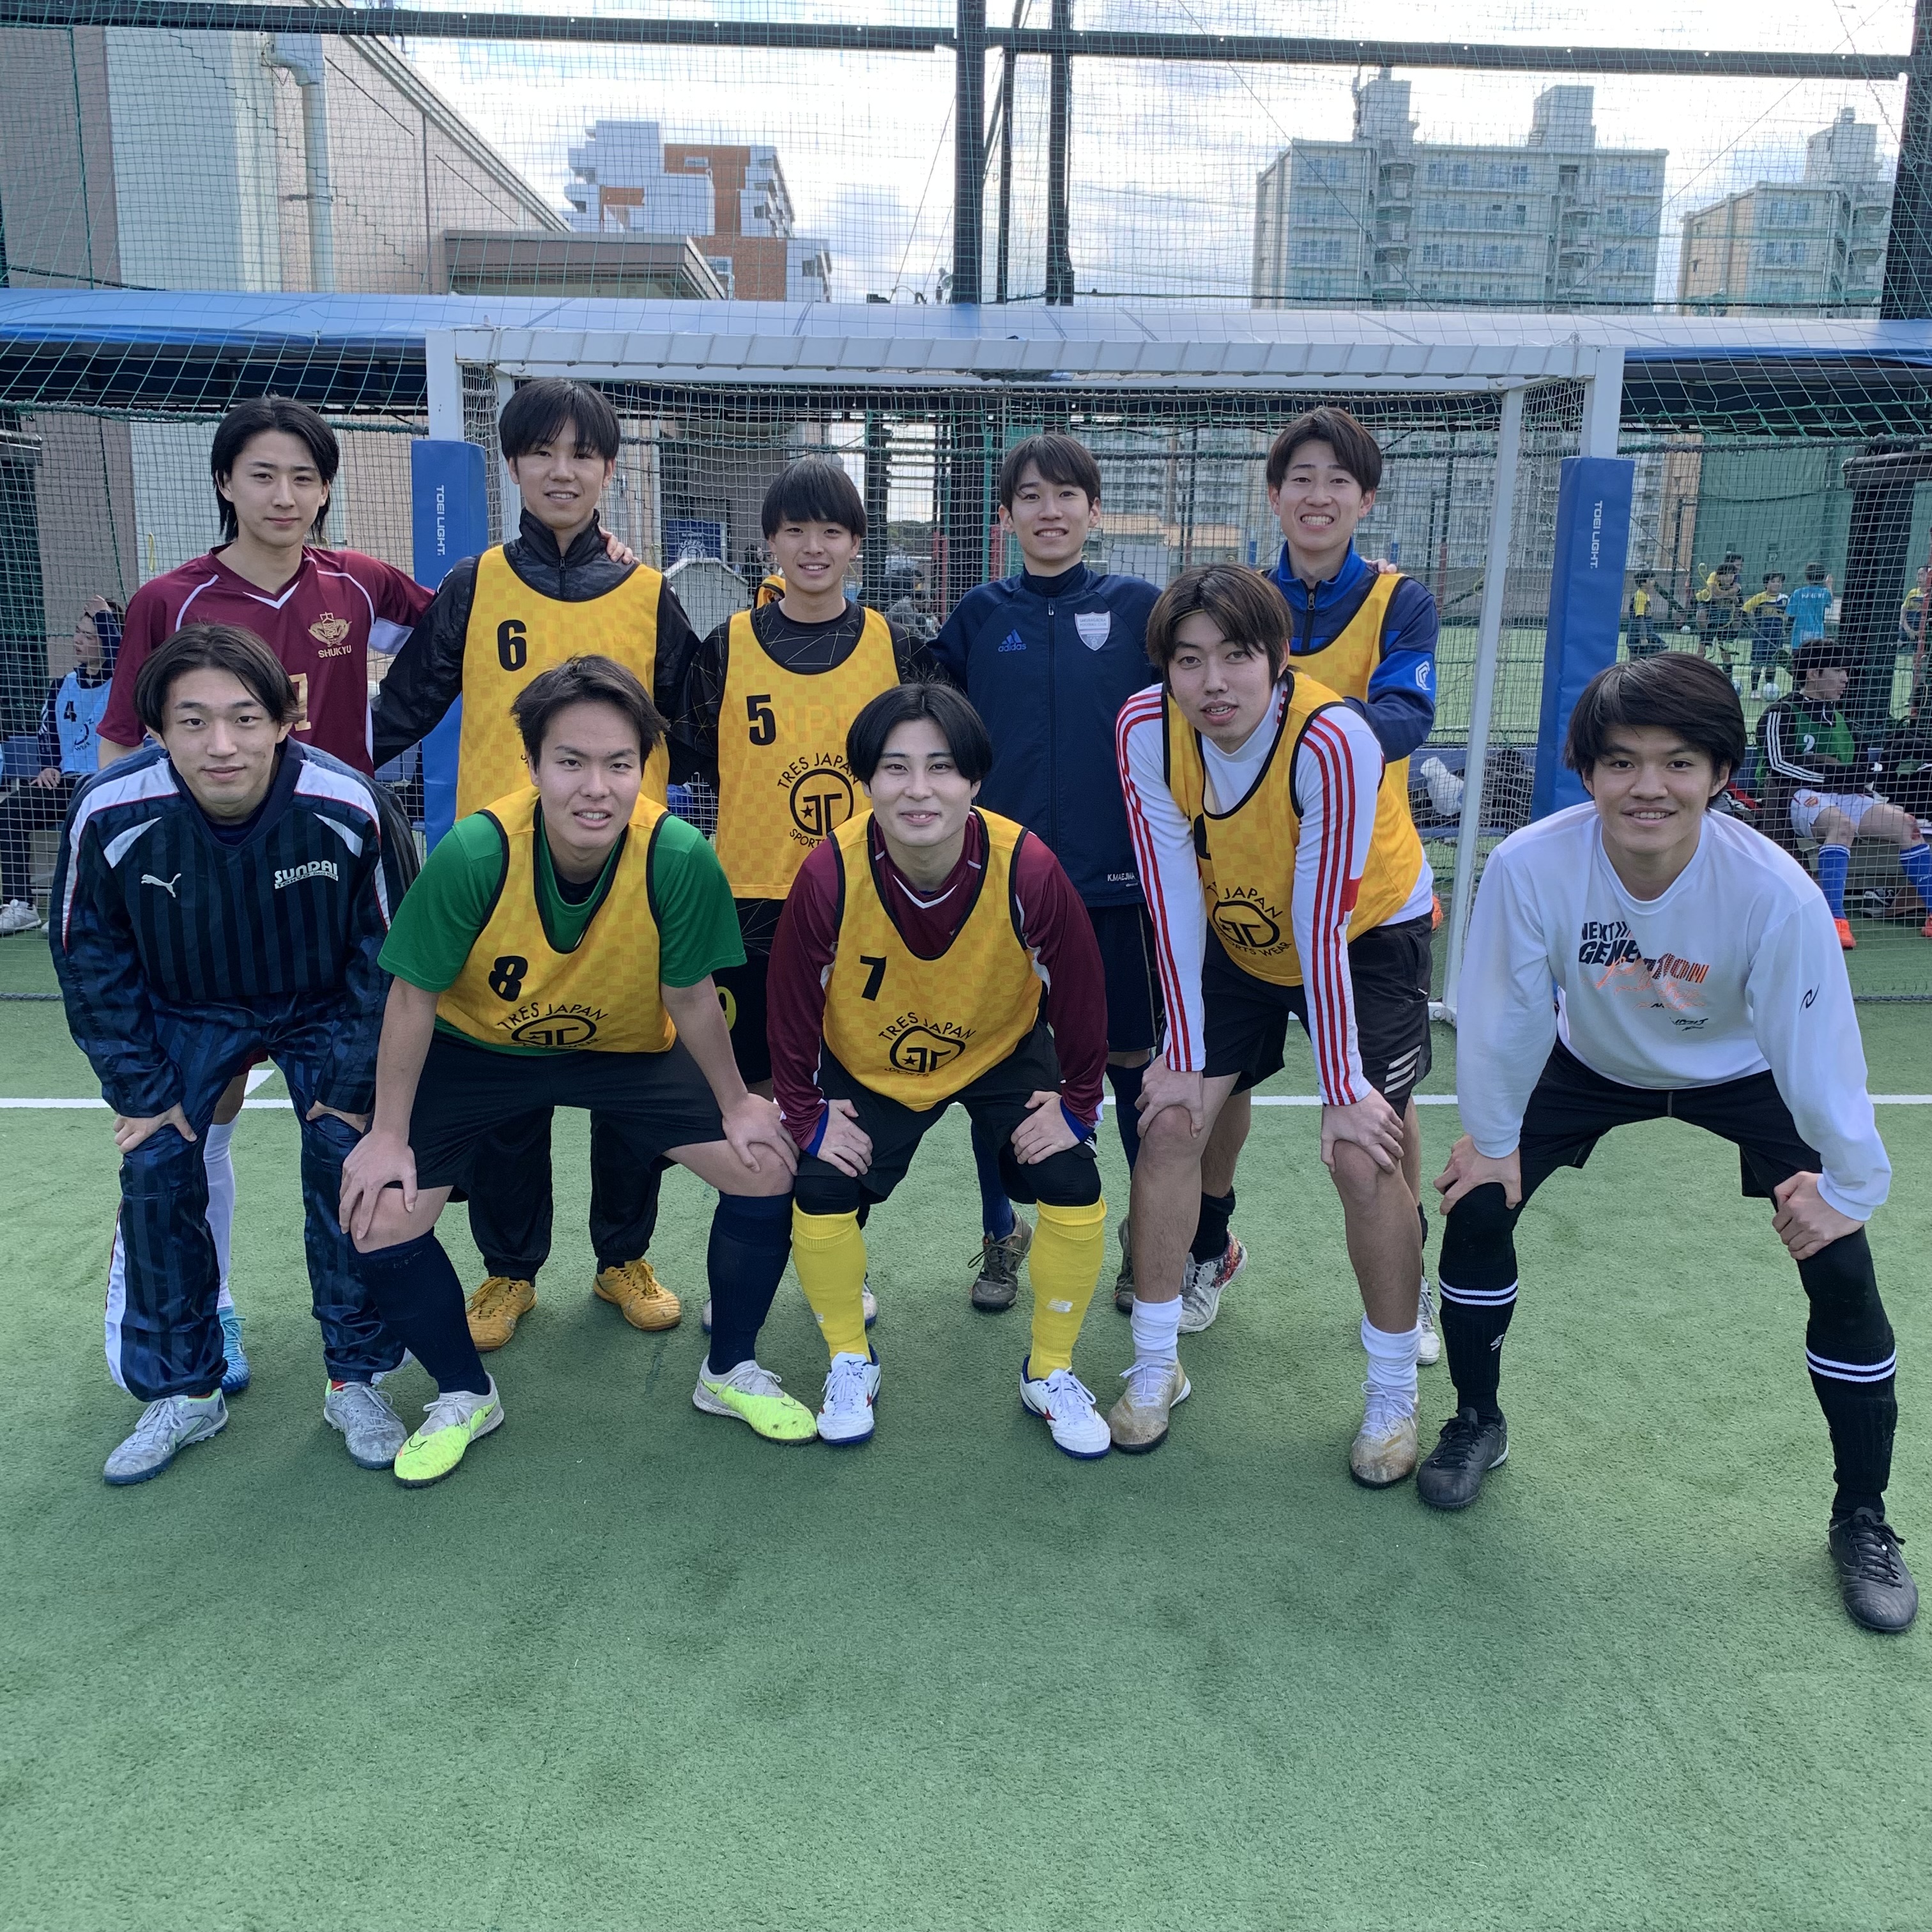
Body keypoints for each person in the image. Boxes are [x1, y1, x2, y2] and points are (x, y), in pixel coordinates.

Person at [1426, 653, 1913, 1634]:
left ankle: (1862, 1515)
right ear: (1586, 771)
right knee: (1477, 1202)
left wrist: (1850, 1187)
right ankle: (1478, 1418)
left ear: (1720, 774)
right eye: (1621, 762)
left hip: (1742, 1071)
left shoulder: (1772, 891)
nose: (1648, 786)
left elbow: (1817, 1049)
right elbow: (1503, 1013)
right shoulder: (1531, 865)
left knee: (1843, 1267)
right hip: (1591, 1061)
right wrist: (1493, 1139)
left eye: (1678, 762)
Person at [339, 655, 813, 1487]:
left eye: (619, 764)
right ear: (531, 765)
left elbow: (690, 994)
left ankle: (729, 1371)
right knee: (379, 1215)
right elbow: (412, 997)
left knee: (766, 1166)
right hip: (482, 1050)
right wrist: (387, 1134)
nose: (596, 787)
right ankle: (464, 1393)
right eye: (571, 762)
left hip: (623, 1049)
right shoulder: (475, 853)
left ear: (646, 769)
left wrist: (739, 1101)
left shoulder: (677, 856)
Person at [93, 397, 437, 1391]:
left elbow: (461, 621)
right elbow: (123, 741)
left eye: (304, 477)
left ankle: (360, 1356)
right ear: (223, 481)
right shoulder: (171, 600)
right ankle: (206, 1310)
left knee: (346, 1110)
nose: (284, 495)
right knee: (196, 1115)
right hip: (207, 902)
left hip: (329, 896)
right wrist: (132, 879)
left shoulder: (359, 582)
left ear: (326, 490)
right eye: (263, 474)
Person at [373, 378, 696, 1354]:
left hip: (627, 884)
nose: (563, 471)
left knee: (629, 1072)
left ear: (609, 470)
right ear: (511, 465)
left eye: (582, 454)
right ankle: (509, 1270)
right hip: (501, 886)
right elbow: (401, 710)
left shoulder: (649, 594)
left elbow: (701, 727)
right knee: (508, 1085)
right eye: (542, 452)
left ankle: (623, 1257)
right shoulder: (473, 586)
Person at [50, 625, 416, 1483]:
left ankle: (355, 1377)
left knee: (348, 1155)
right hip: (187, 1007)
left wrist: (351, 1083)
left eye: (245, 718)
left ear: (285, 721)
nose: (222, 744)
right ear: (157, 730)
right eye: (194, 721)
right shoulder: (109, 810)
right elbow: (87, 955)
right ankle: (185, 1389)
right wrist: (140, 1090)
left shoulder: (351, 804)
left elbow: (389, 952)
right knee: (157, 1163)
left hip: (323, 1007)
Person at [1114, 565, 1432, 1474]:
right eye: (1189, 660)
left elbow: (1321, 924)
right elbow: (1171, 895)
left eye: (1236, 656)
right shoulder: (1144, 727)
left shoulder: (1334, 738)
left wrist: (1342, 1088)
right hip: (1240, 928)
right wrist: (1180, 1050)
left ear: (1278, 657)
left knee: (1363, 1152)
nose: (1213, 682)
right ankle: (1154, 1366)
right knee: (1169, 1122)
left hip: (1364, 933)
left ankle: (1392, 1396)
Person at [767, 682, 1114, 1455]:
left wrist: (1078, 1103)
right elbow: (789, 1003)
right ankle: (850, 1359)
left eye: (942, 767)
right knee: (821, 1184)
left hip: (1000, 1049)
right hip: (871, 1061)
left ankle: (1050, 1371)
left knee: (1070, 1177)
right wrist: (806, 1114)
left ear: (975, 780)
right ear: (867, 779)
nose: (918, 789)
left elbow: (1082, 990)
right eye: (895, 768)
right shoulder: (829, 873)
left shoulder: (1026, 866)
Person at [680, 456, 938, 1330]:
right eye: (796, 530)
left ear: (857, 544)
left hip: (867, 897)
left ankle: (837, 1256)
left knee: (845, 1088)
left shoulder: (896, 646)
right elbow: (689, 758)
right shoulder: (727, 648)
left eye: (832, 531)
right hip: (752, 901)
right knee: (757, 1096)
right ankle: (746, 1266)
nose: (814, 547)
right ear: (771, 543)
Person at [932, 433, 1164, 1317]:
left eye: (1067, 494)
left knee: (1133, 1069)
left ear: (1094, 510)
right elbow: (924, 717)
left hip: (1119, 893)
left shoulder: (1141, 610)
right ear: (1007, 517)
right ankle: (1003, 1232)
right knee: (997, 1067)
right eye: (1031, 496)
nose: (1050, 510)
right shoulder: (978, 617)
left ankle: (1148, 1244)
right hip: (1003, 893)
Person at [1248, 405, 1442, 1365]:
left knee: (1382, 1109)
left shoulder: (1399, 600)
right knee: (1212, 1089)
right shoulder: (1245, 598)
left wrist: (1303, 733)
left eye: (1338, 480)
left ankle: (1414, 1284)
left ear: (1366, 499)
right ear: (1274, 495)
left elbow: (1406, 716)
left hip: (1371, 901)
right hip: (1250, 894)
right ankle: (1205, 1252)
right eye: (1301, 478)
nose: (1317, 495)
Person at [1758, 637, 1932, 949]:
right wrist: (1839, 775)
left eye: (1846, 671)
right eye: (1838, 671)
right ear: (1814, 674)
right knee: (1842, 826)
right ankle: (1835, 920)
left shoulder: (1844, 723)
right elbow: (1778, 767)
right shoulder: (1780, 713)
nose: (1846, 679)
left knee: (1907, 825)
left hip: (1841, 796)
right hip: (1794, 796)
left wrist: (1874, 770)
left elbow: (1861, 774)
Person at [0, 596, 121, 934]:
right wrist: (48, 766)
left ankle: (80, 910)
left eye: (90, 635)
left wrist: (106, 618)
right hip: (65, 783)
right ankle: (21, 905)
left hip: (107, 783)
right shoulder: (61, 686)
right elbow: (49, 736)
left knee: (88, 824)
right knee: (10, 813)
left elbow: (121, 655)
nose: (78, 640)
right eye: (77, 632)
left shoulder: (123, 683)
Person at [1740, 571, 1788, 701]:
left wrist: (1786, 629)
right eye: (1773, 581)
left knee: (1772, 664)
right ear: (1766, 584)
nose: (1777, 584)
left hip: (1776, 637)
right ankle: (1754, 690)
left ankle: (1769, 688)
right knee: (1758, 663)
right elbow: (1744, 610)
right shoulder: (1759, 598)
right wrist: (1750, 626)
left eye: (1779, 582)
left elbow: (1789, 615)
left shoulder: (1785, 599)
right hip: (1761, 637)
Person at [1784, 562, 1833, 651]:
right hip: (1818, 636)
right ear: (1822, 578)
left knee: (1798, 656)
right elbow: (1830, 601)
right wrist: (1829, 585)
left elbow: (1791, 615)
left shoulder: (1798, 593)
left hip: (1799, 637)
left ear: (1807, 577)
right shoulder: (1825, 593)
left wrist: (1787, 629)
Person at [1624, 571, 1665, 660]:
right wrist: (1643, 637)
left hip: (1647, 633)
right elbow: (1639, 618)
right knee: (1637, 660)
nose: (1653, 582)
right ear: (1643, 583)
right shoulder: (1640, 596)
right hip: (1638, 635)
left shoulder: (1646, 595)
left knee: (1659, 651)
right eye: (1651, 579)